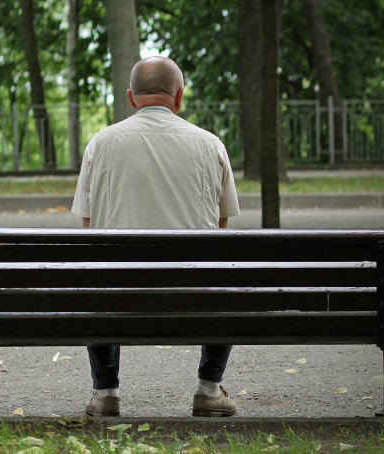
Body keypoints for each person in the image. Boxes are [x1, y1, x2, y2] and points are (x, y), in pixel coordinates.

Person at [71, 56, 240, 417]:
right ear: (179, 96)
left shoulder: (100, 145)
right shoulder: (211, 146)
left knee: (94, 276)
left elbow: (89, 230)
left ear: (131, 97)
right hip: (194, 296)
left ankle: (106, 392)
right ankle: (209, 390)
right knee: (227, 276)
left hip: (117, 296)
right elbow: (221, 231)